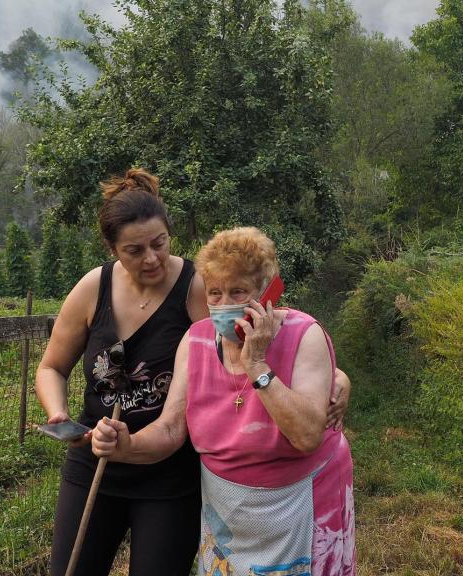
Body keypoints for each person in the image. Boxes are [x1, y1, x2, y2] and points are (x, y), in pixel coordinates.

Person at [35, 170, 351, 576]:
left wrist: (334, 373)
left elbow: (256, 331)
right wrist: (58, 412)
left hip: (170, 471)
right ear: (111, 248)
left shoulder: (200, 286)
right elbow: (50, 366)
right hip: (99, 456)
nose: (150, 258)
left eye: (159, 244)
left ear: (170, 234)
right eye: (134, 250)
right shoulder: (92, 288)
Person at [92, 226, 355, 576]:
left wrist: (257, 365)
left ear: (268, 290)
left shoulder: (303, 334)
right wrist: (129, 444)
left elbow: (307, 436)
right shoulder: (196, 340)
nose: (224, 305)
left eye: (238, 292)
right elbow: (171, 428)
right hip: (228, 512)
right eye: (214, 294)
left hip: (301, 503)